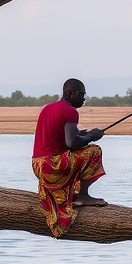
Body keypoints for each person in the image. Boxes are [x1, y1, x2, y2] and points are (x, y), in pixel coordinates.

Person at [31, 78, 106, 238]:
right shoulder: (71, 111)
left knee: (83, 148)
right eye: (81, 95)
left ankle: (75, 193)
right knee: (94, 151)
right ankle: (83, 196)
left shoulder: (48, 108)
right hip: (52, 165)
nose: (84, 99)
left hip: (38, 165)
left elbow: (63, 138)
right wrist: (92, 136)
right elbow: (71, 142)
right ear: (70, 93)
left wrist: (82, 135)